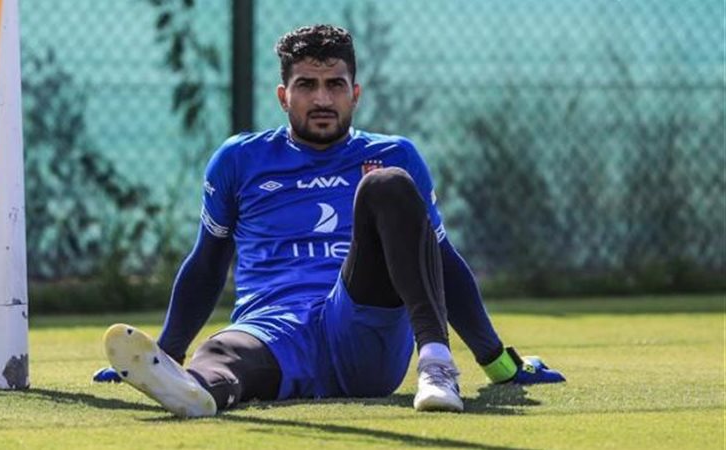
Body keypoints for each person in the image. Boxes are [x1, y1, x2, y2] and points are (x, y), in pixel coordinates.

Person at [97, 24, 564, 418]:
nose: (322, 98)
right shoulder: (239, 159)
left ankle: (436, 366)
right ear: (283, 96)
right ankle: (189, 388)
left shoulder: (392, 154)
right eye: (306, 85)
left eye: (335, 85)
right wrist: (163, 355)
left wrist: (499, 363)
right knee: (220, 355)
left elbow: (439, 260)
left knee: (387, 184)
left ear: (354, 93)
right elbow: (207, 262)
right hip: (272, 328)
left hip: (363, 327)